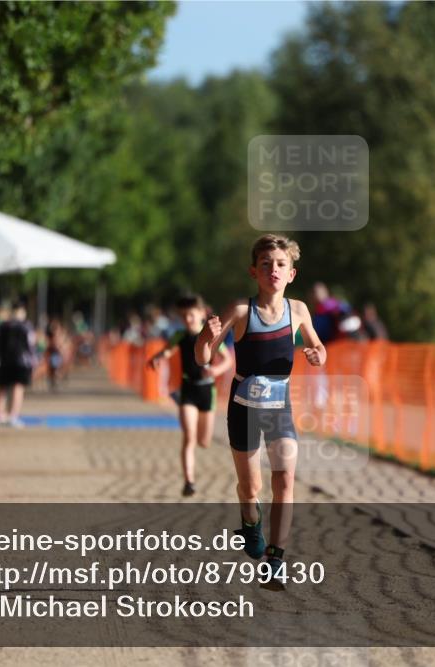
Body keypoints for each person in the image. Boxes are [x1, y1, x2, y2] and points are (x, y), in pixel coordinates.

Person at [196, 234, 326, 591]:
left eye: (281, 264)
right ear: (254, 271)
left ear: (291, 274)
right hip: (243, 408)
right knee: (251, 486)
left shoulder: (298, 311)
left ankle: (275, 561)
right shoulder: (241, 311)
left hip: (279, 406)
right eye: (266, 264)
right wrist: (205, 337)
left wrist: (317, 354)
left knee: (284, 479)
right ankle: (250, 520)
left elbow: (318, 347)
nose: (274, 270)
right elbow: (203, 357)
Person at [148, 294, 233, 497]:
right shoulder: (180, 335)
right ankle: (189, 482)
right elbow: (167, 351)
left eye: (191, 315)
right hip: (188, 390)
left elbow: (227, 360)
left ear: (202, 314)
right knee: (189, 438)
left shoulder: (210, 336)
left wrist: (215, 370)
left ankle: (195, 465)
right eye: (183, 316)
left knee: (204, 441)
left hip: (207, 391)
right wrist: (157, 358)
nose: (187, 319)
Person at [0, 300, 36, 428]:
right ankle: (13, 416)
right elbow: (31, 344)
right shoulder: (26, 326)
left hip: (4, 362)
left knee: (2, 389)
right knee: (18, 389)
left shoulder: (3, 325)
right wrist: (34, 360)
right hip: (21, 362)